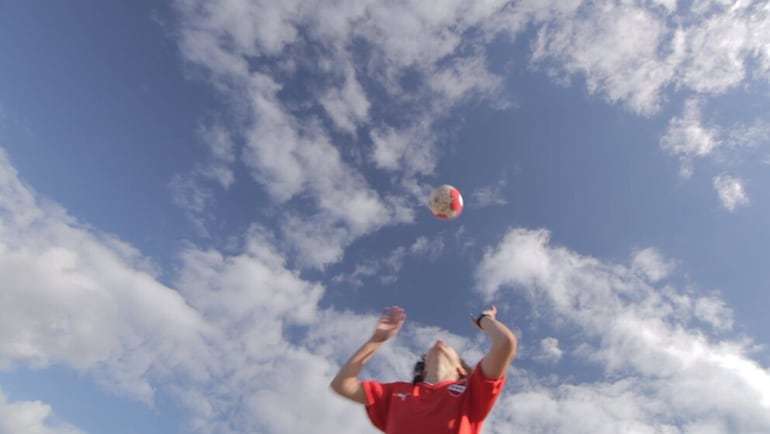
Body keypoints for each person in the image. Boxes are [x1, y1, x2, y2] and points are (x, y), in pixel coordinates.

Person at [330, 305, 517, 434]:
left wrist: (484, 319)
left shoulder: (472, 391)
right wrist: (376, 340)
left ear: (461, 369)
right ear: (424, 367)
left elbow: (504, 343)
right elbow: (342, 385)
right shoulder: (396, 392)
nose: (439, 341)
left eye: (448, 346)